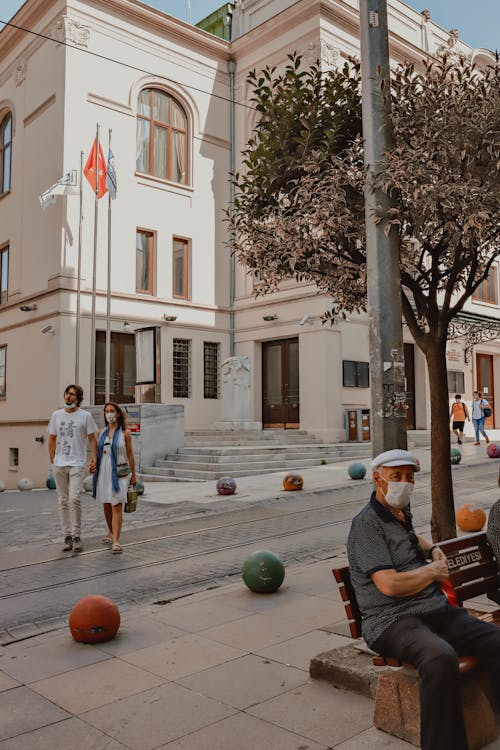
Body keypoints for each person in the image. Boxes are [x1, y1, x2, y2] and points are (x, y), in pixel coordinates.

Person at [347, 448, 500, 750]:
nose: (404, 483)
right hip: (392, 621)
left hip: (433, 611)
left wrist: (431, 550)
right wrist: (432, 572)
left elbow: (411, 537)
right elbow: (389, 585)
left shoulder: (398, 514)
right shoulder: (365, 525)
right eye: (396, 477)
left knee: (496, 640)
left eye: (409, 477)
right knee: (439, 657)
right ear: (378, 479)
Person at [48, 385, 98, 552]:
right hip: (59, 463)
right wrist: (52, 458)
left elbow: (92, 439)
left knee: (74, 499)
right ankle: (67, 536)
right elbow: (52, 438)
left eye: (72, 395)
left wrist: (94, 458)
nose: (68, 397)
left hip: (77, 462)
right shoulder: (56, 415)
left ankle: (77, 535)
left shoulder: (85, 416)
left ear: (78, 398)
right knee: (62, 501)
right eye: (67, 393)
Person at [89, 402, 137, 554]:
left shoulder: (125, 433)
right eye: (106, 411)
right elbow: (97, 454)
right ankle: (110, 530)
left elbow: (130, 454)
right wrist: (93, 465)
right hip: (104, 471)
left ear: (117, 414)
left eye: (112, 411)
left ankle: (116, 540)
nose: (109, 413)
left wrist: (134, 474)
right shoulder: (102, 432)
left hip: (120, 472)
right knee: (106, 503)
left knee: (116, 505)